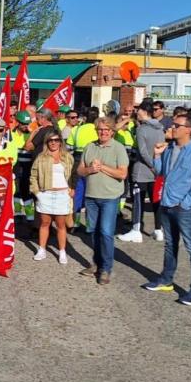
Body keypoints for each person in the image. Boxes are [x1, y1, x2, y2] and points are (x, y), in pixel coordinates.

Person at [144, 116, 191, 307]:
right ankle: (166, 279)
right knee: (170, 244)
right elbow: (161, 172)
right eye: (173, 125)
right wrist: (156, 155)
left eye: (177, 125)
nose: (172, 128)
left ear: (188, 129)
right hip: (167, 203)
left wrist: (185, 202)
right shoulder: (170, 148)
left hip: (185, 208)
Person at [77, 116, 129, 285]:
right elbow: (80, 171)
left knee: (106, 233)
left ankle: (106, 268)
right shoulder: (90, 146)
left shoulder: (118, 148)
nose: (103, 133)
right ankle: (97, 264)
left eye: (107, 130)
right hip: (91, 196)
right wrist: (90, 169)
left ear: (112, 132)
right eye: (100, 130)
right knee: (93, 231)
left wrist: (102, 167)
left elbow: (122, 174)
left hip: (109, 197)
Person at [119, 103, 164, 243]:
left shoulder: (141, 129)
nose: (136, 112)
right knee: (156, 200)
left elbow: (142, 151)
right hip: (157, 169)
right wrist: (157, 166)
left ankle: (136, 230)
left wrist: (151, 165)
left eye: (138, 110)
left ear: (145, 112)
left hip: (142, 170)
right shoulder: (160, 128)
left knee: (138, 201)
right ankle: (158, 230)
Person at [29, 128, 75, 264]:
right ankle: (42, 249)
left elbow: (73, 175)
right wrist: (37, 193)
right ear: (47, 142)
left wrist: (72, 189)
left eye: (56, 140)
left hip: (62, 194)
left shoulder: (67, 157)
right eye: (50, 140)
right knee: (45, 223)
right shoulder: (41, 157)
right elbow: (33, 176)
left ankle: (62, 252)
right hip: (46, 193)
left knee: (61, 224)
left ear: (61, 142)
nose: (53, 143)